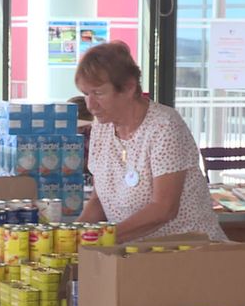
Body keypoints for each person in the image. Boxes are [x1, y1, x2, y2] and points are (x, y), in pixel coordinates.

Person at [75, 41, 227, 243]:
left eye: (98, 93)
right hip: (135, 254)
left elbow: (163, 209)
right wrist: (71, 235)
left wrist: (101, 238)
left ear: (129, 88)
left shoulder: (164, 126)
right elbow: (99, 200)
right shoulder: (102, 127)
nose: (90, 105)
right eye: (86, 94)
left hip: (188, 254)